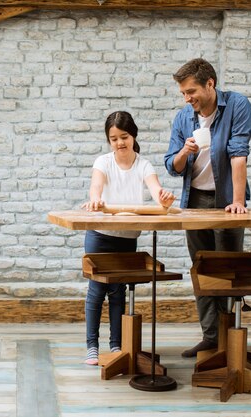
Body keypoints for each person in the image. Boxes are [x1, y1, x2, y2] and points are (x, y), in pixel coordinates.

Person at [163, 58, 251, 358]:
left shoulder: (238, 106)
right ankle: (211, 337)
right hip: (195, 202)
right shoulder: (183, 118)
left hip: (227, 199)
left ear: (210, 84)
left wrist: (238, 202)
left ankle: (231, 341)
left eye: (191, 92)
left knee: (227, 271)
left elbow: (238, 155)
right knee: (201, 270)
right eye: (184, 94)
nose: (188, 99)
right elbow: (172, 167)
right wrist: (183, 152)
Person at [81, 111, 175, 365]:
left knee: (118, 291)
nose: (120, 143)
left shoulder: (143, 165)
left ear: (133, 135)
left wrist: (163, 198)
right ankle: (92, 345)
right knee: (97, 290)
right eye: (114, 139)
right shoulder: (103, 162)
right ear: (109, 141)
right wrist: (95, 199)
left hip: (127, 237)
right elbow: (96, 187)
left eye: (124, 137)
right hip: (100, 236)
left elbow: (155, 189)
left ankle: (115, 345)